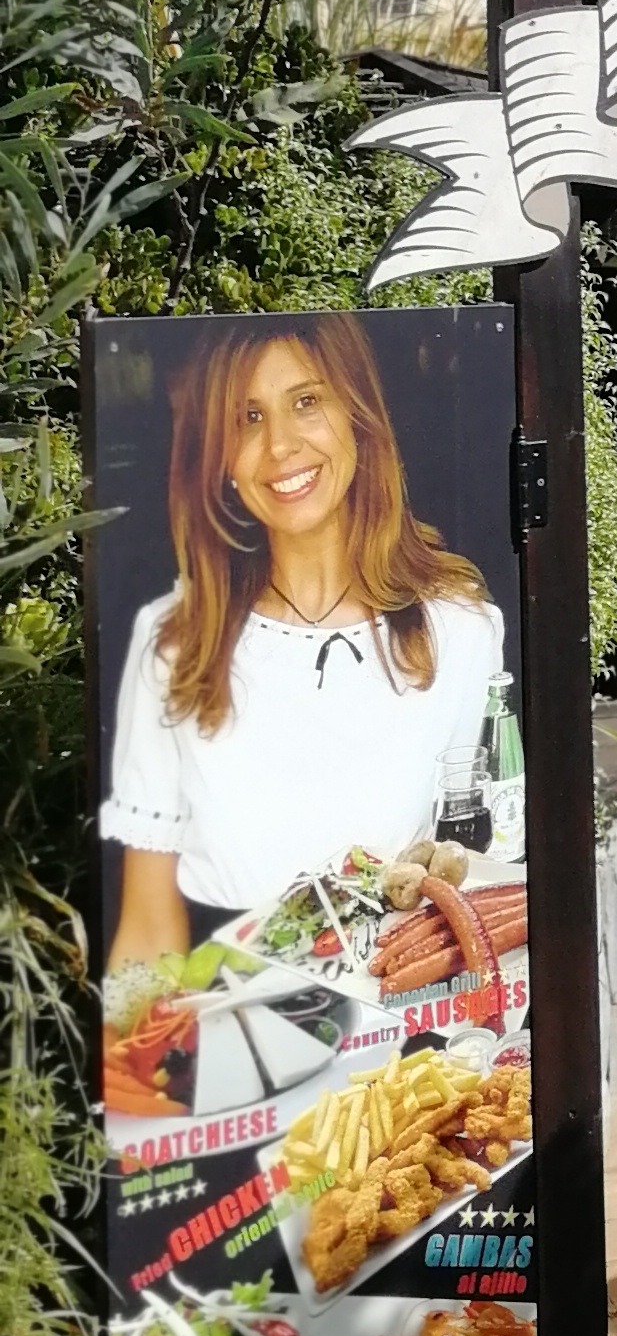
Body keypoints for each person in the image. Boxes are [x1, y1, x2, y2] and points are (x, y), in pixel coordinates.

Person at [103, 317, 502, 967]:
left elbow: (479, 868)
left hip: (410, 1030)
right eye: (247, 418)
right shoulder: (173, 642)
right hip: (225, 1031)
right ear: (221, 458)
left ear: (358, 418)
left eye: (306, 402)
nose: (281, 445)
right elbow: (147, 932)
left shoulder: (460, 628)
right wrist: (127, 1058)